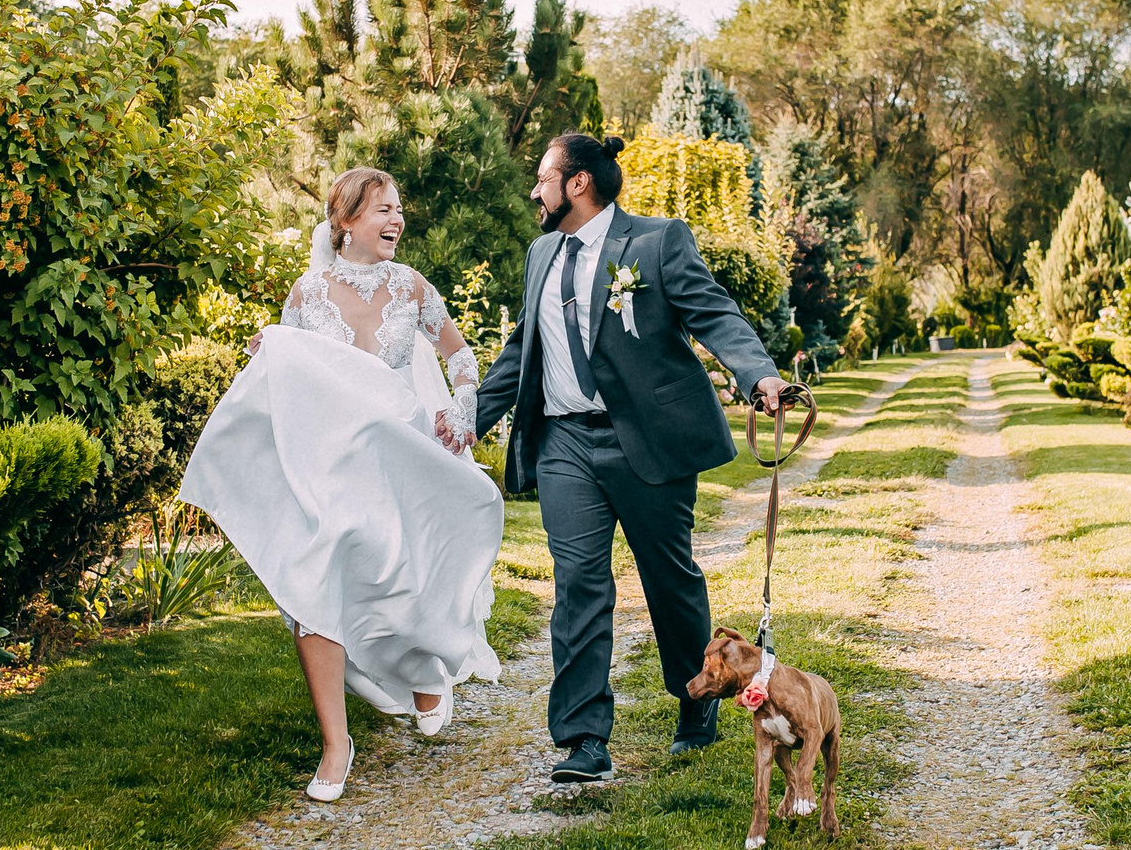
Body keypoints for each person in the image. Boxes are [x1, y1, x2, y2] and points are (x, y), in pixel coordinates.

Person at [180, 167, 503, 802]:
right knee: (313, 588)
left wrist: (461, 409)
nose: (397, 219)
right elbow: (288, 377)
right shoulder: (306, 294)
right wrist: (270, 351)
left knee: (401, 575)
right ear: (346, 220)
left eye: (398, 208)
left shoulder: (412, 287)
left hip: (400, 461)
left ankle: (426, 673)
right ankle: (336, 743)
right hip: (329, 466)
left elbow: (460, 357)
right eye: (384, 209)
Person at [473, 133, 785, 783]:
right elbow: (522, 349)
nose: (534, 190)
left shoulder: (656, 241)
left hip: (647, 438)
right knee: (578, 583)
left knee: (669, 580)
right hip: (565, 444)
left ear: (578, 183)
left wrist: (758, 373)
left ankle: (696, 697)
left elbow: (714, 313)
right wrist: (463, 425)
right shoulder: (540, 254)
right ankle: (584, 738)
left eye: (543, 178)